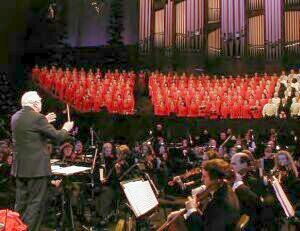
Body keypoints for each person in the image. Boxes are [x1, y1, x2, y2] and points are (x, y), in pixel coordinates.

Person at [11, 91, 74, 231]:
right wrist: (66, 128)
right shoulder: (37, 118)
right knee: (35, 205)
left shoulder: (15, 117)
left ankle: (15, 228)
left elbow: (29, 130)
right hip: (36, 170)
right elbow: (58, 137)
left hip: (20, 169)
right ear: (34, 103)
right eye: (39, 101)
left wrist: (43, 120)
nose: (41, 104)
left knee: (20, 204)